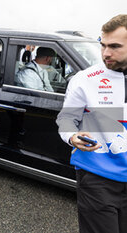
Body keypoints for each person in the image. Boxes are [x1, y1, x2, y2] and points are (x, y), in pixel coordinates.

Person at [56, 14, 127, 233]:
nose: (106, 53)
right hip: (98, 178)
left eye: (115, 46)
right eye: (102, 45)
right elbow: (66, 118)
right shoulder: (85, 79)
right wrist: (72, 136)